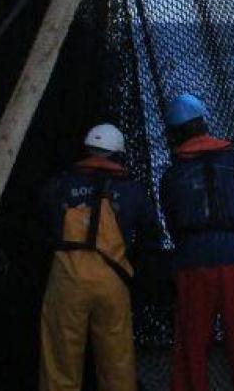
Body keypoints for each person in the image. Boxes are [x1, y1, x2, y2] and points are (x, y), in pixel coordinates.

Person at [160, 94, 234, 391]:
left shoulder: (172, 174)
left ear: (174, 134)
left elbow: (172, 224)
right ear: (203, 123)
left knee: (191, 349)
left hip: (192, 261)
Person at [38, 123, 160, 391]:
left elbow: (41, 224)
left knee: (60, 361)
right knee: (117, 362)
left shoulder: (58, 185)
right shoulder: (132, 190)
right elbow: (152, 235)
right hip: (112, 281)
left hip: (67, 280)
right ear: (118, 154)